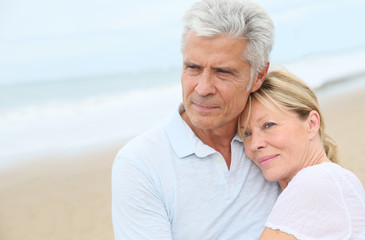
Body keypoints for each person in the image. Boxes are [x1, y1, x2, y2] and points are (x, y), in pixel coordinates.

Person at [112, 0, 281, 239]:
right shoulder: (140, 163)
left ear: (258, 76)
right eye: (193, 67)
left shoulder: (275, 140)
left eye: (223, 72)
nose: (202, 88)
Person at [239, 70, 365, 239]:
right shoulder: (332, 179)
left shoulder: (314, 180)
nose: (254, 144)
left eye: (269, 125)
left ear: (312, 124)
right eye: (247, 134)